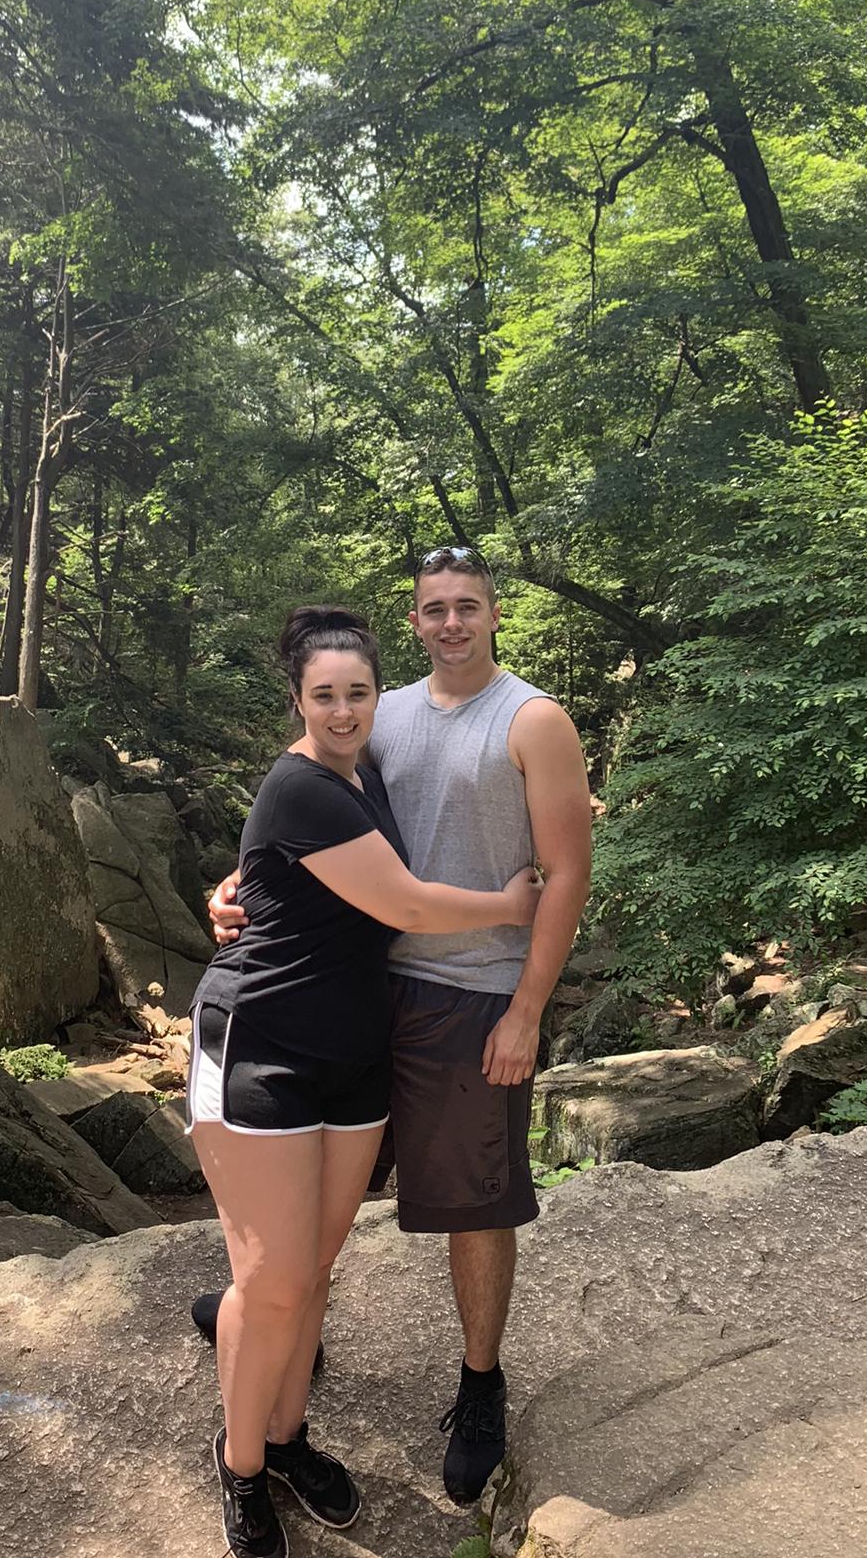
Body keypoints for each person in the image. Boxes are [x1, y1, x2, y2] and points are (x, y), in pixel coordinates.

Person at [205, 548, 592, 1507]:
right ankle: (271, 1322)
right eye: (434, 609)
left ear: (495, 616)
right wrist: (239, 884)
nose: (452, 623)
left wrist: (528, 1009)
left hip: (472, 998)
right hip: (366, 997)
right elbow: (312, 818)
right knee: (311, 1229)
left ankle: (479, 1383)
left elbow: (568, 872)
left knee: (474, 1201)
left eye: (468, 607)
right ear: (414, 621)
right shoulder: (384, 717)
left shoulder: (533, 720)